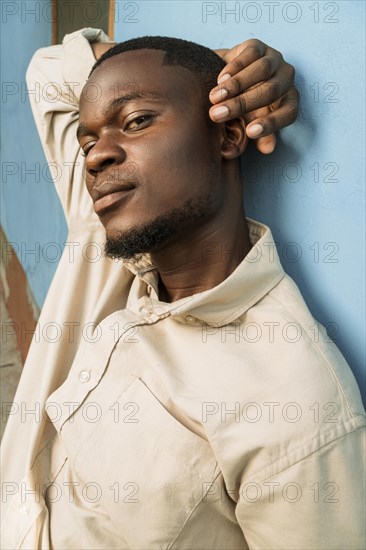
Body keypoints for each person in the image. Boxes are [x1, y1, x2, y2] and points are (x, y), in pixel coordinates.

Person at [1, 29, 364, 550]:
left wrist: (225, 88)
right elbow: (49, 72)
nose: (97, 157)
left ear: (229, 134)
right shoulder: (105, 249)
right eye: (87, 141)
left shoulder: (293, 404)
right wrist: (224, 67)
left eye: (137, 121)